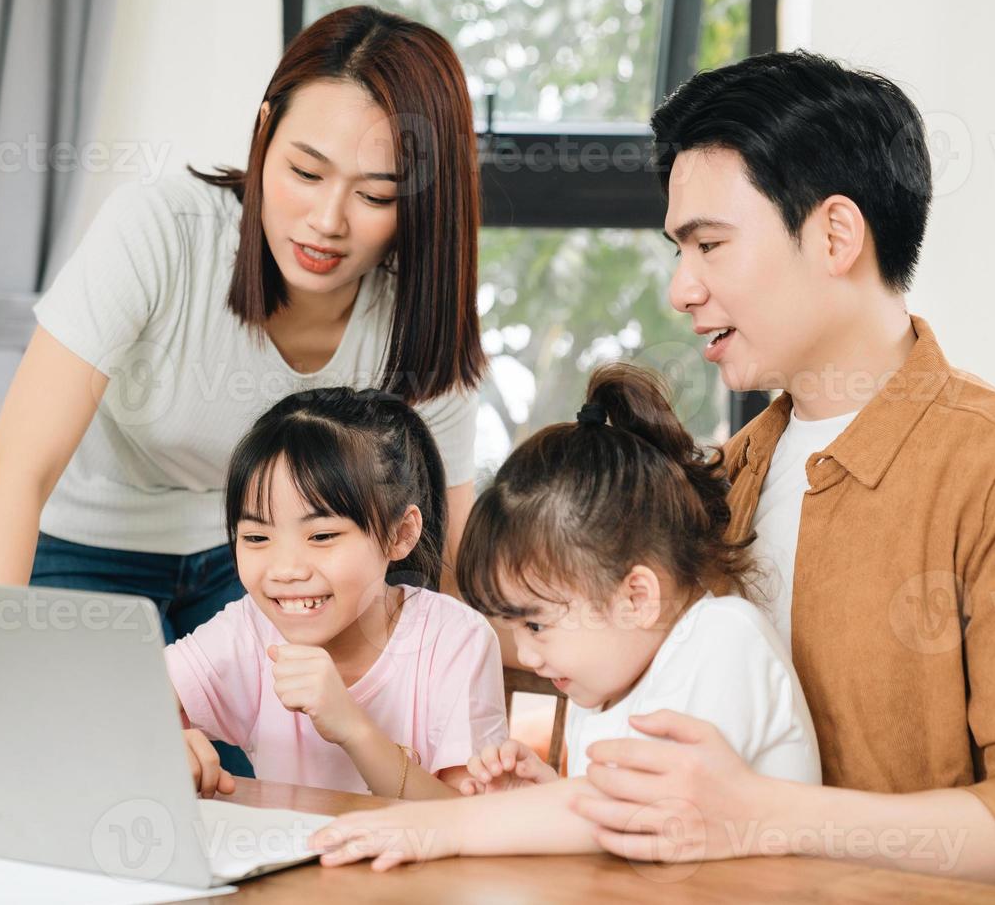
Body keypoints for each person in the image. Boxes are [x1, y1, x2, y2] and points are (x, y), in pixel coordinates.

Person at [0, 4, 486, 785]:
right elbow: (16, 471)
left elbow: (446, 558)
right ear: (263, 132)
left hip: (249, 568)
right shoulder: (161, 232)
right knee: (54, 771)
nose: (326, 220)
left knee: (249, 795)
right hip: (88, 548)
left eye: (376, 195)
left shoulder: (416, 311)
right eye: (305, 172)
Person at [567, 52, 995, 905]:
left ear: (836, 235)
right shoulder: (718, 483)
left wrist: (765, 815)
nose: (681, 290)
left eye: (711, 245)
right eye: (679, 250)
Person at [308, 364, 820, 866]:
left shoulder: (722, 639)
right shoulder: (609, 676)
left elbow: (637, 814)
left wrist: (442, 827)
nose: (527, 655)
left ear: (636, 597)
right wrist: (546, 795)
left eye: (536, 624)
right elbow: (619, 830)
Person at [172, 386, 506, 799]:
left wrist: (352, 727)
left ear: (400, 535)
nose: (287, 570)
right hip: (287, 862)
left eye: (322, 535)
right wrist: (158, 734)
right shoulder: (250, 629)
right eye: (257, 537)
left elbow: (470, 821)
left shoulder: (455, 639)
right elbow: (119, 702)